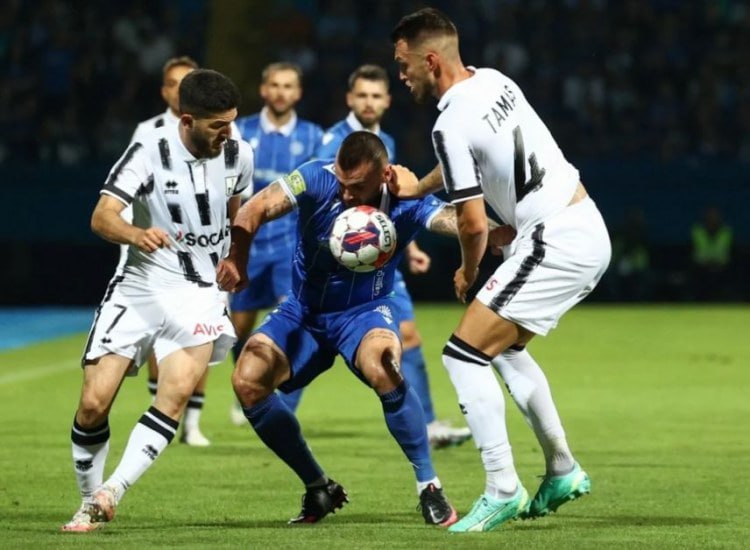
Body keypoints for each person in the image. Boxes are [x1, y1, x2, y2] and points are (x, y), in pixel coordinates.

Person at [390, 8, 611, 532]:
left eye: (403, 65)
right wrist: (419, 187)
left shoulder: (448, 123)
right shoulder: (494, 80)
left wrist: (468, 273)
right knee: (505, 351)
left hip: (554, 238)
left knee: (461, 355)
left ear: (429, 60)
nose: (401, 75)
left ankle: (502, 488)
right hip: (582, 221)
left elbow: (472, 224)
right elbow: (467, 159)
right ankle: (562, 468)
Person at [217, 131, 460, 527]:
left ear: (384, 175)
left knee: (383, 365)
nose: (346, 194)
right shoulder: (316, 177)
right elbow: (253, 209)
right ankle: (319, 486)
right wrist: (237, 260)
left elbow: (456, 220)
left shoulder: (406, 199)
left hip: (365, 312)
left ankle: (429, 485)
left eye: (357, 186)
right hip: (303, 312)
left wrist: (499, 230)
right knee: (247, 380)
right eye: (343, 184)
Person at [61, 69, 254, 533]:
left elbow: (240, 212)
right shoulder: (148, 151)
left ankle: (110, 493)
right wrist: (135, 233)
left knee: (176, 393)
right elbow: (101, 217)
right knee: (93, 403)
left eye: (231, 122)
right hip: (140, 286)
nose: (228, 134)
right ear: (187, 120)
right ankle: (89, 497)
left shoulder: (239, 153)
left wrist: (236, 257)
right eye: (217, 125)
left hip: (200, 292)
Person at [314, 64, 472, 449]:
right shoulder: (334, 142)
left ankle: (428, 423)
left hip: (377, 258)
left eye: (376, 95)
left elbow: (389, 206)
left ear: (387, 100)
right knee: (314, 341)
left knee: (409, 336)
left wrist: (410, 247)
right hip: (342, 262)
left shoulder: (384, 141)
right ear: (350, 99)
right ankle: (270, 405)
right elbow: (325, 203)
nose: (369, 102)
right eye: (362, 95)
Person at [129, 55, 240, 446]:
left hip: (207, 259)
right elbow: (129, 192)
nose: (181, 90)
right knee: (158, 340)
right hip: (157, 258)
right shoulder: (147, 133)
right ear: (165, 91)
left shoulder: (225, 134)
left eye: (188, 82)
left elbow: (234, 195)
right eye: (175, 83)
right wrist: (134, 237)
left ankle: (191, 422)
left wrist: (233, 250)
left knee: (202, 338)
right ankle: (161, 410)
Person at [228, 62, 322, 424]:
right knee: (238, 328)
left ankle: (282, 401)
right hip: (247, 244)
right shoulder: (241, 131)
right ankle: (246, 384)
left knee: (293, 322)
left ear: (298, 93)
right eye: (275, 85)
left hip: (290, 247)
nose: (282, 92)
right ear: (264, 90)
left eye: (288, 86)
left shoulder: (314, 137)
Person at [690, 206, 733, 301]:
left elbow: (730, 250)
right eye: (710, 215)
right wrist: (706, 263)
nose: (712, 218)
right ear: (705, 217)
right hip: (701, 267)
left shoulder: (726, 231)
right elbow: (692, 250)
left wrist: (718, 264)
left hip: (722, 268)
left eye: (715, 216)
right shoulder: (697, 230)